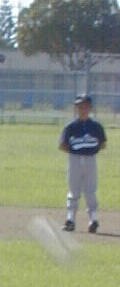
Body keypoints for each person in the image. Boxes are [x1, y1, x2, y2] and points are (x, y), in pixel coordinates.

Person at [60, 94, 106, 233]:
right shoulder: (70, 127)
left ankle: (93, 220)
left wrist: (90, 150)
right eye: (79, 107)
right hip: (74, 159)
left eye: (85, 106)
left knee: (90, 190)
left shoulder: (96, 126)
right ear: (76, 108)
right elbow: (62, 145)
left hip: (90, 159)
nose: (82, 109)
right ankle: (70, 220)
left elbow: (103, 144)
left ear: (90, 108)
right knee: (74, 189)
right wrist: (76, 151)